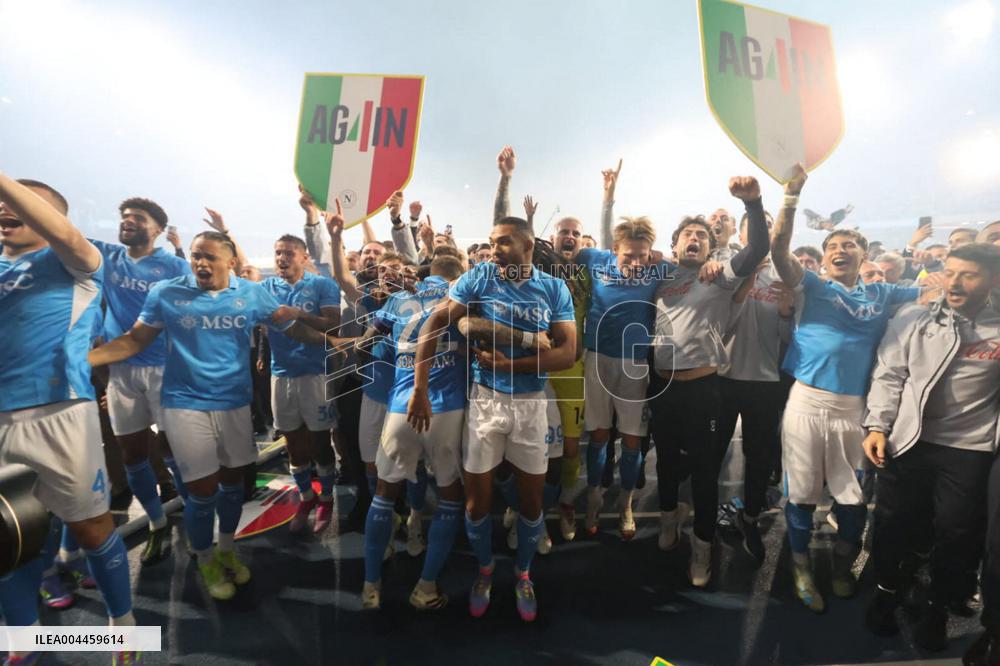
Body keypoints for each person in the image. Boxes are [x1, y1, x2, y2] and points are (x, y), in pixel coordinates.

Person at [89, 230, 331, 601]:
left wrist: (336, 341)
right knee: (202, 494)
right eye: (196, 256)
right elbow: (135, 339)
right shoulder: (167, 293)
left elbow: (293, 327)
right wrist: (84, 360)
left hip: (234, 403)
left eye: (210, 257)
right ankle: (205, 559)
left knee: (233, 486)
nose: (200, 263)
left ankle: (226, 549)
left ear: (230, 262)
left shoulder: (250, 293)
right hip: (185, 404)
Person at [770, 164, 930, 613]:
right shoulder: (814, 286)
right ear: (822, 260)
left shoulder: (884, 294)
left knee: (854, 499)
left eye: (848, 245)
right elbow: (780, 250)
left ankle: (842, 564)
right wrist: (790, 198)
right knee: (800, 494)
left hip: (854, 409)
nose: (840, 250)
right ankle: (801, 566)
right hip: (806, 401)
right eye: (833, 246)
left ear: (863, 255)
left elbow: (936, 290)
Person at [408, 213, 576, 622]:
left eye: (502, 242)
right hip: (485, 401)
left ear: (527, 245)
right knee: (477, 504)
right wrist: (419, 386)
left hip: (532, 404)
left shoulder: (553, 288)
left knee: (532, 503)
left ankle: (522, 574)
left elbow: (567, 352)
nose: (494, 250)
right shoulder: (480, 278)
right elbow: (436, 320)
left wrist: (510, 365)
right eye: (491, 241)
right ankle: (485, 570)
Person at [0, 174, 139, 665]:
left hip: (58, 411)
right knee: (8, 538)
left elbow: (68, 236)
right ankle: (24, 642)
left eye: (20, 205)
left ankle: (122, 630)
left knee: (91, 529)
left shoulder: (75, 261)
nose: (5, 210)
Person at [863, 243, 1000, 652]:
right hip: (909, 441)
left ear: (992, 280)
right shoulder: (913, 317)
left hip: (970, 449)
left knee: (958, 534)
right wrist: (877, 425)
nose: (955, 282)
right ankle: (887, 594)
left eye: (968, 275)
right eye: (950, 272)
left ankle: (938, 606)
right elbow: (890, 375)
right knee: (894, 524)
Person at [649, 176, 769, 586]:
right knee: (665, 461)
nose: (695, 238)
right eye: (688, 234)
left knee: (703, 472)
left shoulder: (718, 276)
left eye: (701, 234)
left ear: (709, 245)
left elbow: (757, 250)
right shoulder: (661, 279)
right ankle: (668, 521)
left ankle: (702, 548)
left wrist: (753, 204)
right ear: (675, 243)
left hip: (703, 390)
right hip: (661, 386)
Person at [360, 254, 468, 611]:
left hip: (400, 406)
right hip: (445, 407)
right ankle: (425, 587)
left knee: (384, 494)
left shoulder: (396, 299)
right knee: (451, 497)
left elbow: (374, 334)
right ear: (458, 274)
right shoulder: (461, 296)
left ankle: (371, 586)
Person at [89, 196, 191, 566]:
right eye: (125, 216)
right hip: (121, 373)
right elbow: (61, 235)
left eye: (138, 217)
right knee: (132, 454)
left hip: (165, 369)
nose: (128, 220)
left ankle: (194, 522)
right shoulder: (107, 257)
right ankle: (156, 522)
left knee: (173, 452)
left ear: (159, 230)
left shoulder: (176, 266)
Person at [716, 204, 794, 566]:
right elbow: (718, 326)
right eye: (756, 227)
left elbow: (788, 340)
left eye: (769, 226)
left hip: (764, 382)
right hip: (721, 379)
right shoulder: (725, 270)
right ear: (743, 235)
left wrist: (785, 314)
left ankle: (748, 519)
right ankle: (703, 517)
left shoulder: (785, 276)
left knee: (759, 458)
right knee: (712, 452)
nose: (763, 232)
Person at [261, 233, 342, 535]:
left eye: (288, 253)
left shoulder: (322, 284)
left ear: (304, 256)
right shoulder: (266, 288)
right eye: (277, 252)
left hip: (316, 374)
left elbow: (333, 324)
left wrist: (298, 313)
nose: (281, 258)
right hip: (280, 375)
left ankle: (327, 498)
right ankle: (306, 498)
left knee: (321, 441)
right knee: (293, 443)